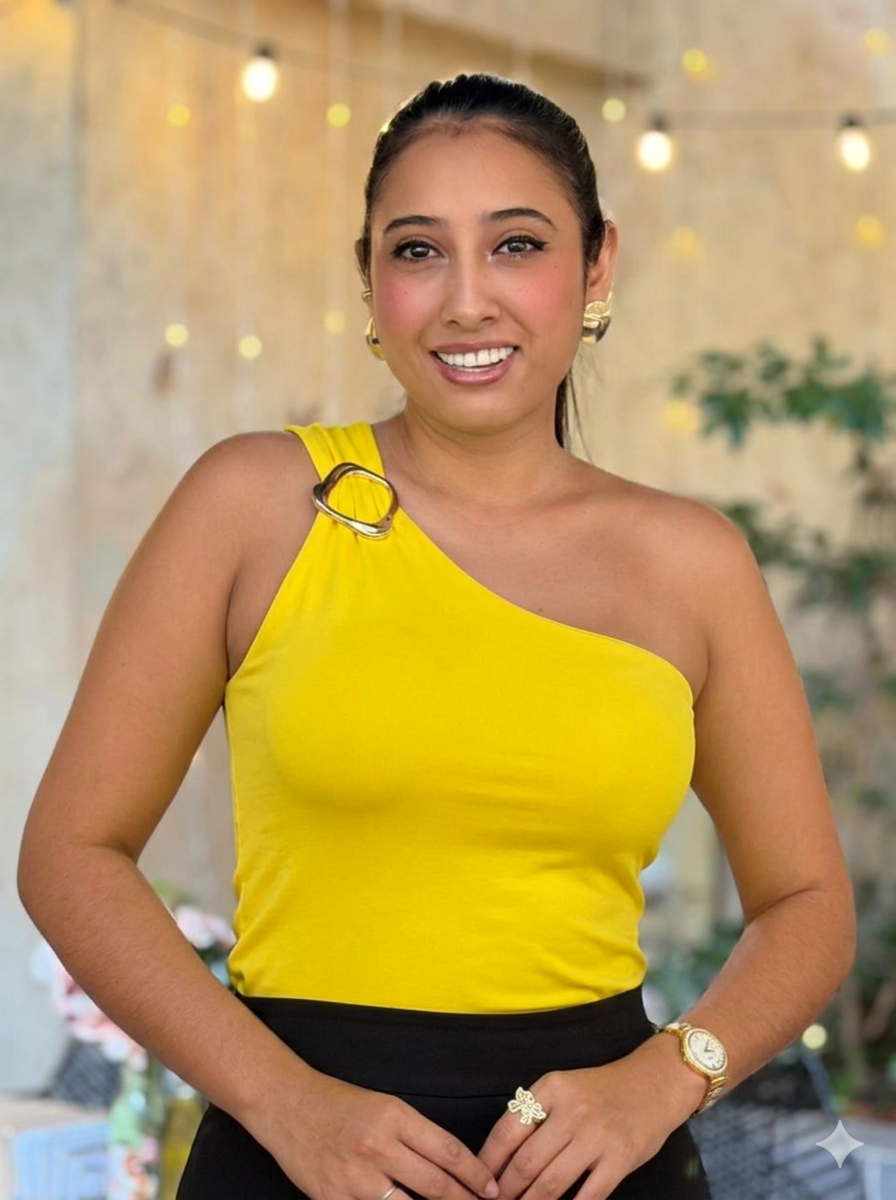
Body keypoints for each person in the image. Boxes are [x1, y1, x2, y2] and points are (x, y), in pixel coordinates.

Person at [17, 73, 856, 1200]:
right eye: (417, 251)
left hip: (598, 1164)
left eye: (516, 245)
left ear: (596, 264)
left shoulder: (690, 561)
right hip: (295, 1161)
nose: (467, 301)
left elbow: (808, 907)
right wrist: (284, 1103)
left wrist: (662, 1082)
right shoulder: (253, 504)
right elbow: (69, 854)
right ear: (368, 278)